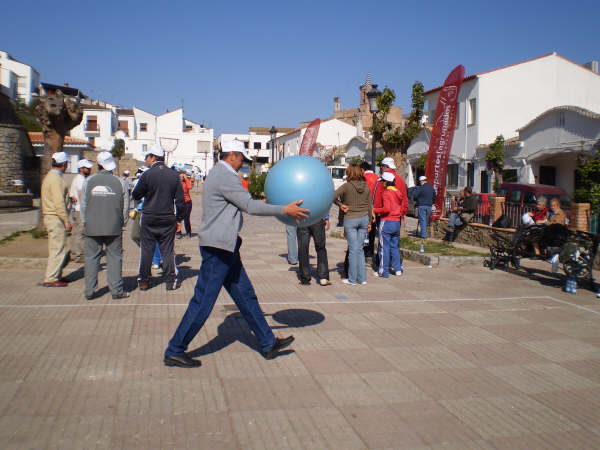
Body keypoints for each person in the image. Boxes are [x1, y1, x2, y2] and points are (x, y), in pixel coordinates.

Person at [163, 139, 309, 368]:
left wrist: (267, 202)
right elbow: (249, 207)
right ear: (231, 155)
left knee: (246, 296)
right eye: (241, 158)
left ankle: (267, 343)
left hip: (227, 247)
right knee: (203, 301)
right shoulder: (225, 176)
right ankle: (175, 349)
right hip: (218, 248)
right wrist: (284, 210)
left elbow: (243, 203)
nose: (243, 163)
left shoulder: (220, 174)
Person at [132, 145, 185, 291]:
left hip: (149, 216)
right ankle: (170, 281)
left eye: (147, 157)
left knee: (147, 250)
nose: (146, 160)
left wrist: (147, 193)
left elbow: (136, 194)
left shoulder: (147, 175)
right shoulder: (173, 175)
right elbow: (180, 201)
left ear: (153, 157)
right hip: (167, 217)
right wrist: (179, 219)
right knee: (167, 250)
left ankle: (143, 280)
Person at [81, 152, 130, 300]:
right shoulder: (121, 182)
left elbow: (84, 205)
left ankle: (89, 290)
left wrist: (85, 222)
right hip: (113, 226)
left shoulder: (88, 181)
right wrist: (123, 222)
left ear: (98, 165)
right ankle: (116, 290)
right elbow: (125, 206)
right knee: (115, 257)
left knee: (91, 258)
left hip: (92, 226)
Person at [334, 164, 372, 285]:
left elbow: (331, 196)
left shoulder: (346, 186)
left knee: (353, 249)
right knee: (360, 249)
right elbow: (369, 206)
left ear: (349, 173)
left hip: (350, 218)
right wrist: (370, 221)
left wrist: (341, 205)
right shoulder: (366, 187)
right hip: (364, 218)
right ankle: (362, 278)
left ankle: (352, 278)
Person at [41, 152, 72, 287]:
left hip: (52, 216)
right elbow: (58, 202)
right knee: (57, 249)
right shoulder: (56, 180)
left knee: (59, 248)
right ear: (64, 164)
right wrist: (66, 220)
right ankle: (51, 277)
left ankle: (56, 274)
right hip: (55, 217)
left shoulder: (50, 177)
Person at [372, 157, 408, 266]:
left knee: (383, 243)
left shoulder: (383, 180)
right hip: (396, 217)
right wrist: (402, 213)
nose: (380, 169)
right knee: (394, 244)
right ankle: (396, 266)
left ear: (385, 167)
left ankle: (382, 266)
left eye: (381, 166)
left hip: (383, 215)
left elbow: (378, 198)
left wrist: (374, 211)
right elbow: (404, 199)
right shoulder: (400, 180)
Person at [373, 171, 404, 278]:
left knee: (383, 247)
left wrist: (375, 210)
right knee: (394, 247)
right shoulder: (398, 192)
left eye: (382, 182)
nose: (382, 184)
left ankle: (383, 271)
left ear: (386, 182)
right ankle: (397, 269)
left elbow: (386, 209)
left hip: (386, 221)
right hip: (396, 222)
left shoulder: (386, 193)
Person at [69, 159, 93, 263]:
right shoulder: (81, 179)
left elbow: (72, 194)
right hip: (80, 210)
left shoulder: (77, 178)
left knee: (76, 233)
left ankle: (75, 253)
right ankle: (79, 255)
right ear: (81, 169)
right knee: (80, 233)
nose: (89, 169)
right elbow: (81, 194)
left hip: (76, 209)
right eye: (87, 168)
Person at [297, 216, 331, 286]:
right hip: (317, 219)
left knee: (303, 249)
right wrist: (326, 218)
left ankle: (305, 278)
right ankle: (323, 277)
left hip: (303, 220)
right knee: (320, 248)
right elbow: (324, 205)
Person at [361, 161, 378, 261]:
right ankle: (370, 251)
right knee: (372, 230)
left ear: (362, 169)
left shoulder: (363, 178)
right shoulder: (377, 177)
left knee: (363, 230)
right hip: (375, 208)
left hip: (365, 207)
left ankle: (364, 250)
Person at [178, 169, 193, 238]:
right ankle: (178, 232)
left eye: (183, 176)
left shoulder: (186, 182)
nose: (181, 177)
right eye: (180, 175)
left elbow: (190, 187)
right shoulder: (177, 182)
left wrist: (186, 179)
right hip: (179, 202)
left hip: (187, 202)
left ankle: (188, 232)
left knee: (186, 218)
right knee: (178, 218)